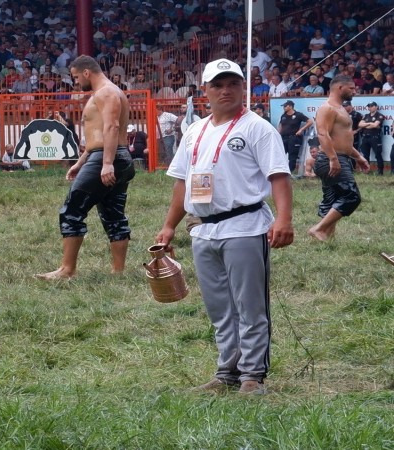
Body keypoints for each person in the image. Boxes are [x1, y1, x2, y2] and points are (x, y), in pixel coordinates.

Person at [155, 58, 294, 395]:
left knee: (249, 305)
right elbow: (181, 183)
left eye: (233, 83)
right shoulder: (194, 131)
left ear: (243, 87)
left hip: (244, 226)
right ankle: (226, 373)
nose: (225, 90)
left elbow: (278, 176)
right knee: (219, 308)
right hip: (202, 229)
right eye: (217, 85)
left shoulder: (257, 128)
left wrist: (284, 218)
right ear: (205, 91)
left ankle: (251, 377)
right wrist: (168, 227)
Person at [35, 55, 135, 280]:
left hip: (108, 158)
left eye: (76, 77)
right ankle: (118, 273)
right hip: (110, 157)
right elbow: (99, 134)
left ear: (87, 72)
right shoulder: (108, 92)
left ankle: (67, 270)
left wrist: (107, 163)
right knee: (113, 214)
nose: (76, 82)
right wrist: (81, 163)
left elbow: (112, 127)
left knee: (71, 211)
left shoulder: (106, 92)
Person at [308, 75, 370, 241]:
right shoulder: (327, 108)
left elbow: (344, 140)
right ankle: (319, 229)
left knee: (333, 198)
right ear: (339, 88)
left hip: (339, 157)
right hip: (331, 158)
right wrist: (333, 159)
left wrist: (359, 157)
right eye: (351, 88)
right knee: (351, 196)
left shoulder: (341, 109)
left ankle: (328, 237)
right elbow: (323, 134)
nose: (354, 91)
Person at [278, 100, 314, 174]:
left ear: (290, 106)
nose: (284, 108)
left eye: (285, 106)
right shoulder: (283, 116)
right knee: (280, 154)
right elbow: (281, 126)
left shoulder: (298, 115)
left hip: (293, 137)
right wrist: (278, 135)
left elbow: (310, 121)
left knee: (292, 155)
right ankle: (281, 170)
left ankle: (290, 171)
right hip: (283, 137)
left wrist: (301, 130)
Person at [358, 101, 386, 175]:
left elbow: (375, 125)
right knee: (365, 155)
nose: (370, 108)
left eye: (371, 106)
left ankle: (380, 172)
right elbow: (360, 125)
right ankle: (366, 171)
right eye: (369, 106)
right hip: (365, 138)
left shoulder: (379, 115)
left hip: (375, 138)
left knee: (378, 155)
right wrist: (370, 123)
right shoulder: (366, 115)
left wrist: (366, 125)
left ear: (376, 107)